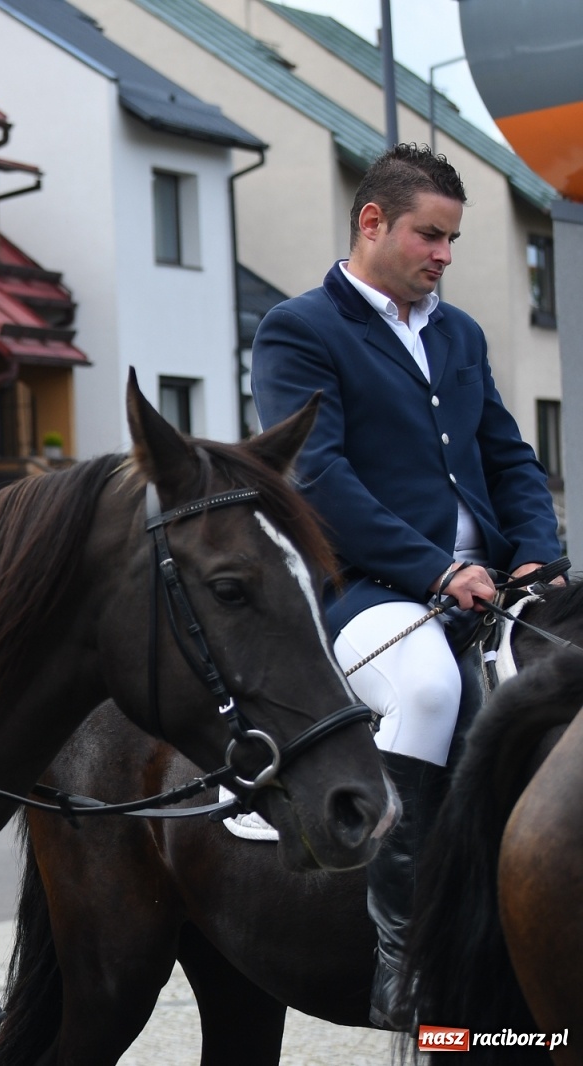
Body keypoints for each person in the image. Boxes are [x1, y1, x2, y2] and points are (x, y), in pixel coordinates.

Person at [252, 143, 561, 1030]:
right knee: (427, 689)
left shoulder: (458, 334)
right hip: (372, 592)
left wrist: (539, 554)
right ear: (373, 222)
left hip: (493, 585)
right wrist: (437, 568)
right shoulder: (299, 330)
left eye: (453, 239)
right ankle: (403, 953)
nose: (444, 255)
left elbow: (508, 457)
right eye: (431, 235)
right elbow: (320, 478)